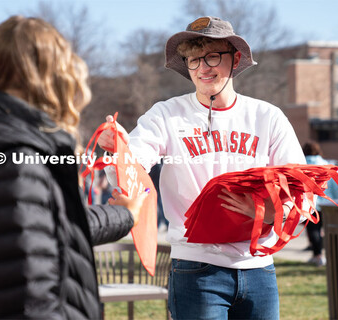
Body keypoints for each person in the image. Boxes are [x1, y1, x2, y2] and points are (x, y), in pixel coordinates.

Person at [0, 16, 147, 319]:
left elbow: (47, 226)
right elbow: (26, 298)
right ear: (51, 74)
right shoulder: (14, 161)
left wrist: (123, 214)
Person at [98, 16, 306, 319]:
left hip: (259, 267)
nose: (203, 68)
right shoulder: (167, 115)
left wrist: (277, 213)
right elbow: (132, 171)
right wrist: (118, 150)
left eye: (212, 56)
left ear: (234, 59)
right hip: (196, 269)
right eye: (194, 60)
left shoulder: (268, 117)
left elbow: (300, 185)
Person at [302, 141, 338, 266]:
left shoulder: (302, 166)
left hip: (310, 205)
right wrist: (336, 202)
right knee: (328, 231)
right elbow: (335, 187)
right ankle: (330, 256)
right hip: (327, 204)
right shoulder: (326, 165)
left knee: (313, 231)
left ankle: (318, 256)